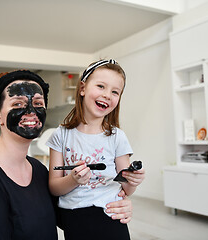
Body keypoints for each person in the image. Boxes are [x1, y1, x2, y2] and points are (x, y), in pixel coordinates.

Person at [0, 69, 134, 240]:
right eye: (18, 104)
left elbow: (70, 216)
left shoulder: (38, 170)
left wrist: (116, 205)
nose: (31, 111)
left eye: (38, 103)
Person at [47, 59, 145, 240]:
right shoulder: (60, 135)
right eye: (101, 86)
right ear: (82, 88)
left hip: (110, 215)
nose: (107, 95)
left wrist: (133, 181)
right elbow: (54, 187)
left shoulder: (118, 137)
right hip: (74, 217)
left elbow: (126, 190)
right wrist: (73, 179)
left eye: (115, 92)